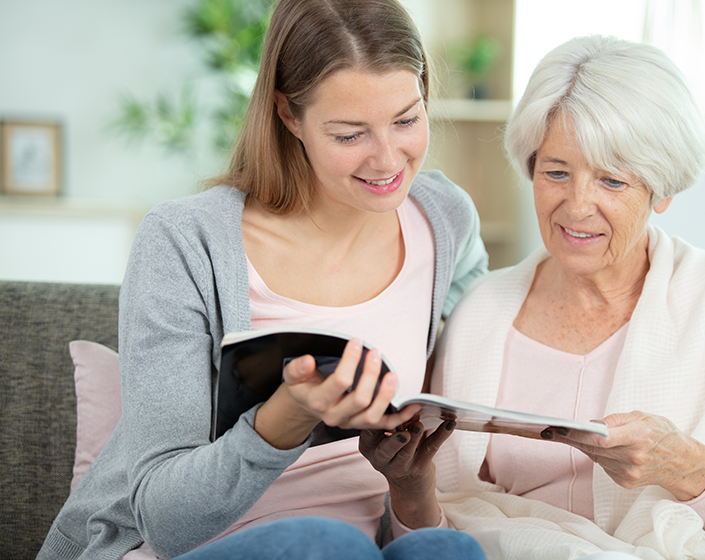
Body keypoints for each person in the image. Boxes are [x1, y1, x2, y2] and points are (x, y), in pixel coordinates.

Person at [35, 1, 489, 559]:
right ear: (288, 115)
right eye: (350, 135)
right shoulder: (185, 241)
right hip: (199, 546)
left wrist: (412, 485)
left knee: (447, 552)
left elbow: (490, 326)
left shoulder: (445, 219)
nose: (388, 159)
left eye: (406, 119)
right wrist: (287, 417)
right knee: (324, 544)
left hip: (367, 543)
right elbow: (164, 518)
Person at [364, 35, 705, 559]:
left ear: (662, 190)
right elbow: (435, 539)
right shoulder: (482, 312)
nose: (577, 205)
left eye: (612, 181)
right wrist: (410, 489)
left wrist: (689, 469)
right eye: (556, 172)